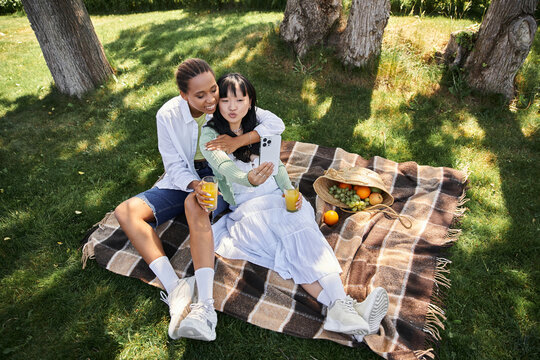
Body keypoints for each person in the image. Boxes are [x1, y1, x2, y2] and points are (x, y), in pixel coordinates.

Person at [189, 73, 389, 342]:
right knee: (295, 238)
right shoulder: (211, 133)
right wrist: (247, 178)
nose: (232, 107)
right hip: (249, 209)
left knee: (298, 242)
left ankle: (342, 312)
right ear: (217, 102)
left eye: (240, 99)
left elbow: (277, 164)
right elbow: (224, 167)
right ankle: (348, 311)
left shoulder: (259, 123)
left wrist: (289, 191)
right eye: (225, 100)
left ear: (250, 102)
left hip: (277, 198)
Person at [114, 59, 285, 340]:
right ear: (183, 95)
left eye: (213, 89)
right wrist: (195, 184)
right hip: (185, 176)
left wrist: (237, 142)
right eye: (200, 95)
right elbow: (174, 165)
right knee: (126, 212)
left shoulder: (225, 103)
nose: (211, 100)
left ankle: (206, 307)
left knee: (193, 205)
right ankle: (175, 289)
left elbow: (276, 123)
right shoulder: (167, 115)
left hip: (223, 174)